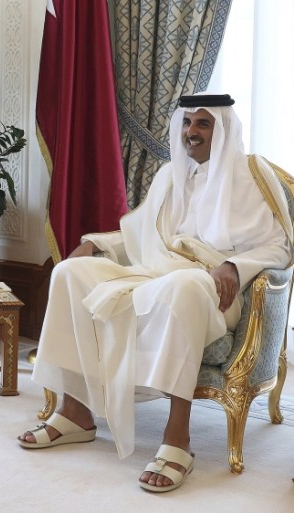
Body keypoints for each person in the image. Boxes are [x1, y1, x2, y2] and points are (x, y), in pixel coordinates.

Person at [17, 93, 293, 492]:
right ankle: (75, 411)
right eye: (187, 123)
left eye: (203, 123)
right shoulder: (170, 175)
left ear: (224, 127)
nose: (191, 132)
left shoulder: (252, 175)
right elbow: (138, 232)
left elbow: (281, 246)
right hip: (158, 273)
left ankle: (177, 436)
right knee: (70, 273)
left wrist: (234, 266)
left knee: (183, 286)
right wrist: (96, 243)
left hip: (217, 290)